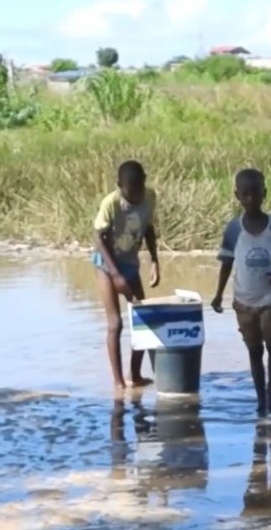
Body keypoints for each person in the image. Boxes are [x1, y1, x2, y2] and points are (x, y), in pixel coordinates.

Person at [211, 168, 271, 416]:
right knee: (254, 351)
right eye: (245, 194)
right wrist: (219, 294)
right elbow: (227, 263)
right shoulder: (234, 229)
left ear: (264, 193)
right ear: (237, 196)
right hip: (244, 302)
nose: (251, 199)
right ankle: (261, 400)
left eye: (255, 194)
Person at [93, 159, 160, 391]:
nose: (135, 195)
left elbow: (149, 229)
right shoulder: (111, 203)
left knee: (142, 319)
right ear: (119, 185)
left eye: (139, 189)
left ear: (144, 182)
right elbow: (98, 238)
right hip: (106, 264)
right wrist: (115, 274)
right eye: (130, 191)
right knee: (115, 323)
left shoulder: (150, 197)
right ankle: (118, 381)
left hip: (130, 263)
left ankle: (136, 374)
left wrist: (154, 260)